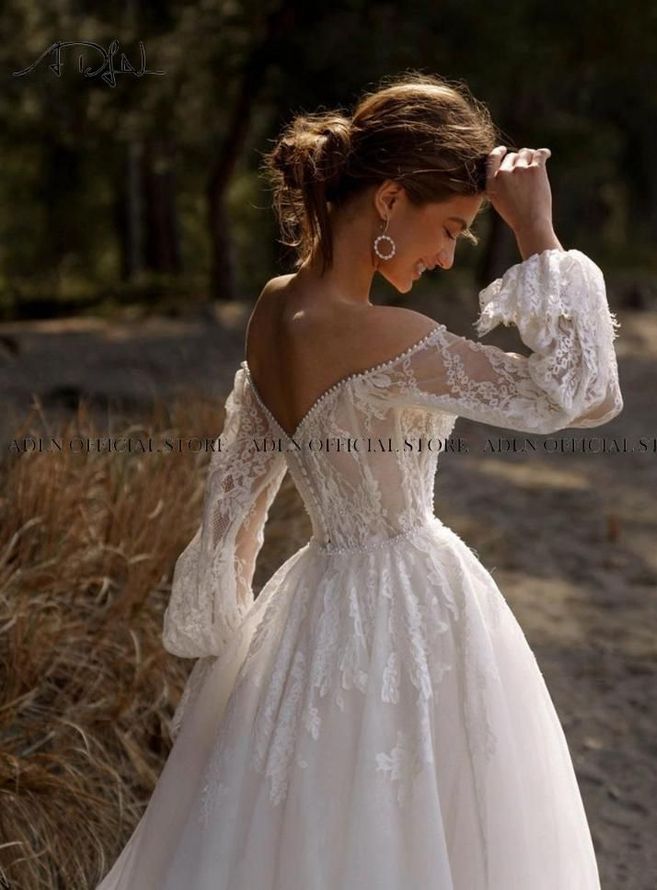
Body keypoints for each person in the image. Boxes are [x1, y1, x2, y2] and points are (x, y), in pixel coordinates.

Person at [96, 72, 622, 889]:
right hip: (414, 609)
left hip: (306, 616)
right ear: (388, 201)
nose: (448, 255)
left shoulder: (273, 311)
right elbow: (583, 396)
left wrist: (229, 674)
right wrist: (539, 232)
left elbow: (237, 503)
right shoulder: (392, 338)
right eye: (448, 228)